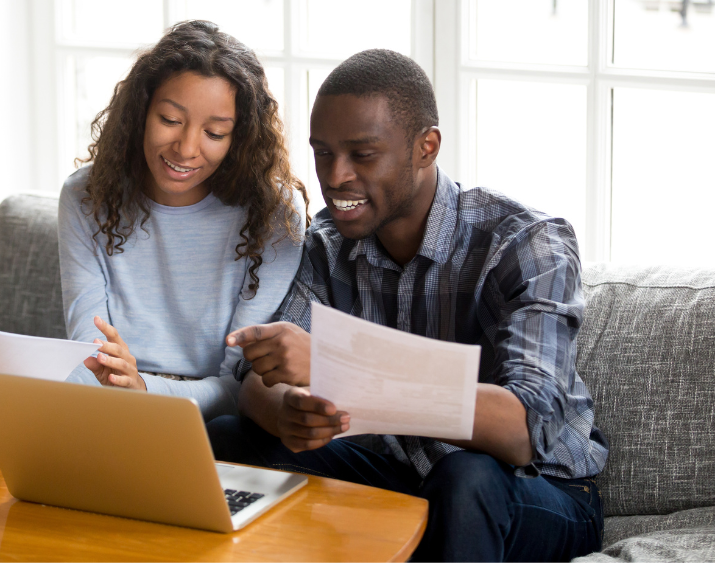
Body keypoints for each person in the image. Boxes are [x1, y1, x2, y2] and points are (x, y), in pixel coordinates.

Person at [206, 49, 609, 562]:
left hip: (536, 492)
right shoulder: (327, 244)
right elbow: (255, 378)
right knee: (233, 439)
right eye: (323, 153)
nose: (335, 176)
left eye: (363, 154)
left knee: (465, 478)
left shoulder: (526, 244)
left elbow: (523, 430)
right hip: (408, 481)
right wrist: (285, 408)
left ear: (426, 147)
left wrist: (339, 365)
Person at [58, 20, 308, 420]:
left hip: (211, 420)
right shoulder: (86, 195)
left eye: (214, 132)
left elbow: (238, 386)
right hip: (107, 407)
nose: (187, 148)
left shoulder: (275, 212)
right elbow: (90, 356)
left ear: (239, 137)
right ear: (141, 112)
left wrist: (142, 388)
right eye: (170, 121)